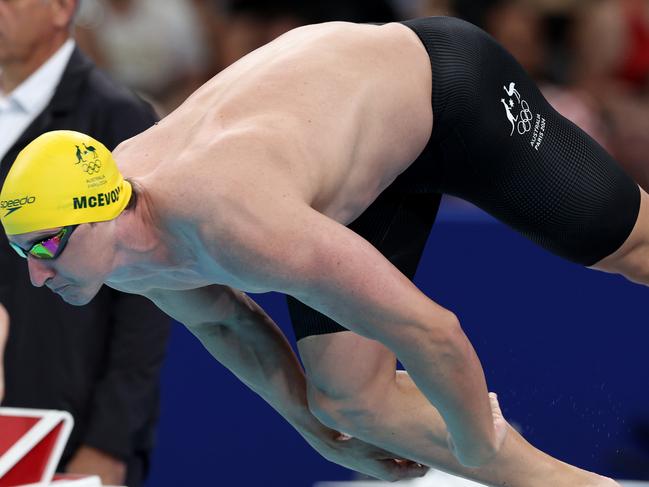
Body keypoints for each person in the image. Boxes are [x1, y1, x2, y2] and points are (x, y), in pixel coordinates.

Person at [1, 16, 640, 486]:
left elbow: (432, 330)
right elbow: (225, 321)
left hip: (445, 90)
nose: (34, 275)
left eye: (46, 246)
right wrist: (318, 434)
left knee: (624, 246)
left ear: (102, 216)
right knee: (345, 399)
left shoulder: (230, 218)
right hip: (342, 162)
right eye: (21, 250)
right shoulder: (119, 247)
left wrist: (475, 453)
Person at [0, 1, 170, 486]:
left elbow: (150, 304)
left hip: (72, 428)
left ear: (61, 8)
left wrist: (109, 443)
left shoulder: (117, 118)